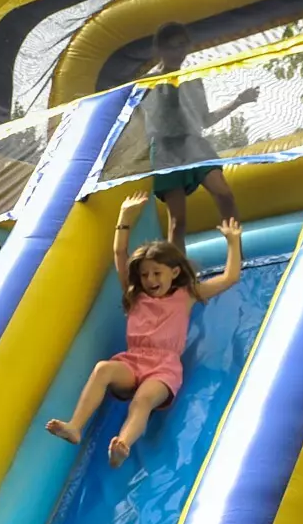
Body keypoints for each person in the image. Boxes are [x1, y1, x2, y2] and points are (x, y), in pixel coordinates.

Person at [46, 192, 242, 468]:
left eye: (157, 273)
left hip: (164, 368)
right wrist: (124, 217)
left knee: (143, 399)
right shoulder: (136, 295)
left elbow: (230, 277)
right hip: (133, 361)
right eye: (145, 274)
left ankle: (123, 444)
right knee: (103, 368)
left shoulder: (186, 295)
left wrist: (233, 242)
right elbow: (119, 253)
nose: (150, 280)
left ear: (174, 272)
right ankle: (75, 427)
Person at [143, 21, 257, 246]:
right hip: (166, 151)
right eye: (172, 47)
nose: (179, 52)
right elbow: (146, 121)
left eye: (182, 45)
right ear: (160, 49)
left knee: (224, 195)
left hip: (193, 144)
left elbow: (205, 119)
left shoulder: (192, 77)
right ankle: (178, 266)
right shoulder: (149, 83)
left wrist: (238, 101)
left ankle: (237, 255)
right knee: (178, 221)